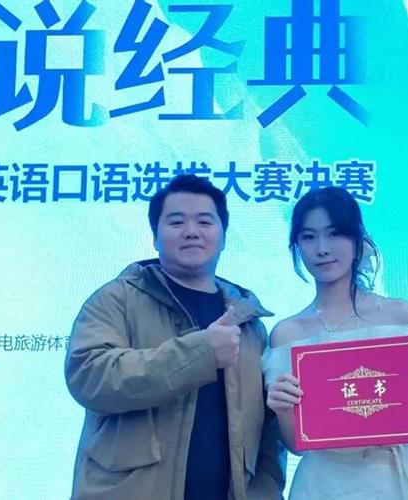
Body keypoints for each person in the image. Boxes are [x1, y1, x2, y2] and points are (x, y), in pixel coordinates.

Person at [65, 174, 285, 500]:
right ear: (155, 236)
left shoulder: (248, 321)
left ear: (224, 236)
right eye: (177, 221)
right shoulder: (116, 299)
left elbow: (266, 433)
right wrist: (200, 353)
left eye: (205, 222)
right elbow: (89, 376)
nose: (192, 231)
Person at [263, 186, 408, 500]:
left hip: (394, 482)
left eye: (335, 234)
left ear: (357, 239)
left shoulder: (400, 316)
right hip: (322, 486)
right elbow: (296, 444)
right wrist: (283, 408)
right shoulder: (289, 334)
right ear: (296, 246)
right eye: (308, 237)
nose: (322, 249)